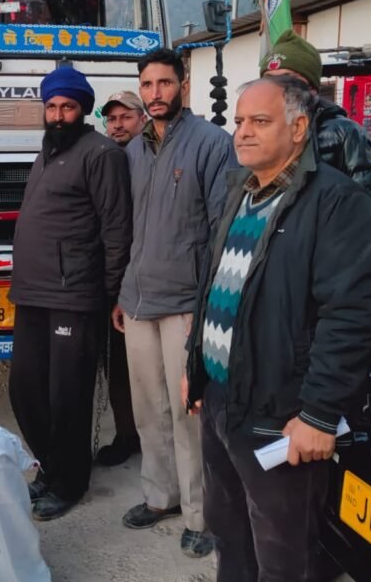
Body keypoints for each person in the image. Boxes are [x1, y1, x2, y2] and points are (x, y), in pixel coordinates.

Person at [185, 75, 371, 581]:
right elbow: (214, 288)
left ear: (298, 129)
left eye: (260, 121)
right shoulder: (241, 190)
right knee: (229, 535)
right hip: (222, 402)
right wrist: (196, 366)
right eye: (239, 122)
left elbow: (349, 315)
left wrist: (318, 414)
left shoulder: (337, 203)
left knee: (283, 555)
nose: (243, 132)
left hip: (280, 415)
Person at [113, 48, 235, 558]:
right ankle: (159, 496)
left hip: (187, 302)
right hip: (138, 301)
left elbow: (222, 230)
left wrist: (209, 306)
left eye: (164, 83)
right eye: (147, 84)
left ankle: (200, 514)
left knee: (190, 415)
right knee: (148, 408)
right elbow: (127, 228)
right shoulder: (133, 151)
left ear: (184, 84)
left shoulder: (211, 144)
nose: (155, 93)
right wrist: (121, 293)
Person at [9, 65, 132, 520]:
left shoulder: (102, 154)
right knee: (25, 388)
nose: (59, 115)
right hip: (32, 292)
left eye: (68, 107)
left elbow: (116, 230)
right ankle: (51, 466)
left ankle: (69, 481)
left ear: (83, 110)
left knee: (68, 396)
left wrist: (112, 293)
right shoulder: (48, 151)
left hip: (74, 295)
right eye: (52, 106)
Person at [260, 28, 371, 245]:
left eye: (289, 80)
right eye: (268, 81)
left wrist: (341, 262)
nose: (277, 89)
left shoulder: (343, 133)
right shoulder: (252, 135)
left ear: (312, 89)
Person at [94, 90, 144, 467]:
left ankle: (147, 437)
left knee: (143, 370)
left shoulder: (149, 159)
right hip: (110, 277)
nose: (118, 125)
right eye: (112, 119)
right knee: (117, 368)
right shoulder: (104, 158)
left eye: (126, 117)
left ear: (142, 119)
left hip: (142, 279)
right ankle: (128, 434)